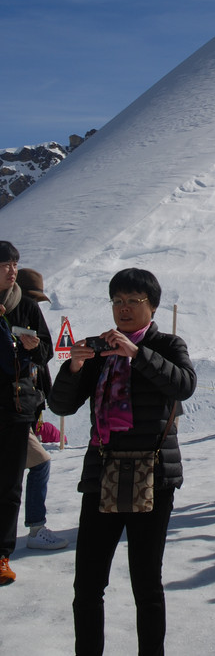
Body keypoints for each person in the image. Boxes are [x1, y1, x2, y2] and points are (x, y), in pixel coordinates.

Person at [48, 268, 197, 656]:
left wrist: (138, 354)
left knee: (146, 583)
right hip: (102, 472)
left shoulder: (166, 344)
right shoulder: (100, 352)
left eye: (134, 301)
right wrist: (75, 366)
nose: (124, 309)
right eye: (117, 301)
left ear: (152, 305)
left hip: (154, 475)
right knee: (87, 585)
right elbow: (61, 405)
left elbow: (184, 385)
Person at [0, 241, 53, 586]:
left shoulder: (27, 307)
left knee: (9, 484)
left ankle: (2, 555)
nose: (12, 270)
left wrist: (34, 349)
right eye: (5, 264)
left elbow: (46, 350)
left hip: (17, 405)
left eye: (15, 264)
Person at [16, 267, 68, 551]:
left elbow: (43, 360)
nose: (34, 306)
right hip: (11, 414)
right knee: (40, 463)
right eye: (31, 299)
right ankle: (36, 528)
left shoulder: (30, 326)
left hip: (24, 414)